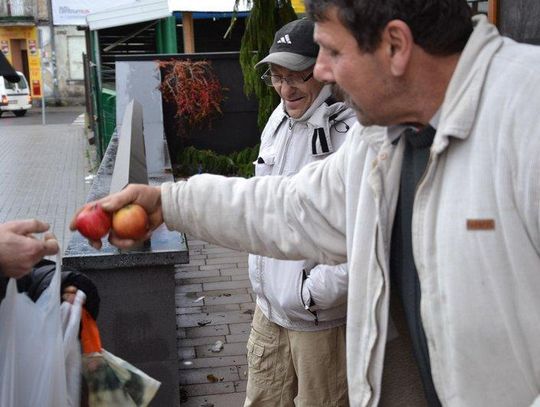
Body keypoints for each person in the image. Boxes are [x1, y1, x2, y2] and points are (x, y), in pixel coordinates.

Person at [72, 1, 540, 406]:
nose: (320, 72)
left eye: (334, 52)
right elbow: (295, 206)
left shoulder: (526, 117)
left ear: (395, 46)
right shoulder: (385, 136)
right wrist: (168, 204)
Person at [245, 18, 355, 406]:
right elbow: (262, 200)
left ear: (325, 70)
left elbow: (370, 236)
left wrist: (315, 293)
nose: (284, 88)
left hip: (319, 319)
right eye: (276, 76)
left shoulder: (352, 134)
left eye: (297, 77)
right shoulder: (278, 118)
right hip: (268, 309)